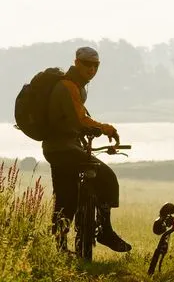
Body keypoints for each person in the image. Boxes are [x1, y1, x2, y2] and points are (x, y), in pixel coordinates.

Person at [43, 46, 131, 252]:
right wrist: (106, 128)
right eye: (87, 64)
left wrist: (92, 129)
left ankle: (60, 247)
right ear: (77, 63)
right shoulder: (68, 86)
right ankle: (105, 231)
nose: (92, 69)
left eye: (96, 65)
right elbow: (80, 119)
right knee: (108, 178)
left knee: (66, 198)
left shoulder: (75, 85)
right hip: (64, 149)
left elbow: (75, 119)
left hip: (57, 148)